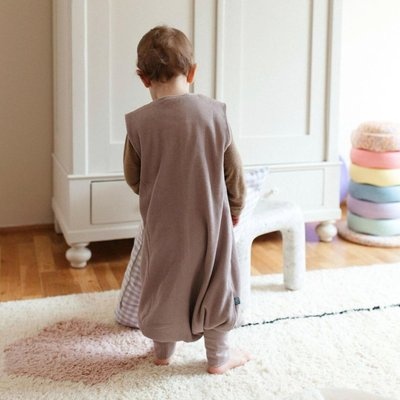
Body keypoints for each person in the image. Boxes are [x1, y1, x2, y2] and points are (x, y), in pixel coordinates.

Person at [122, 25, 250, 374]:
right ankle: (218, 358)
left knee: (163, 282)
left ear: (143, 77)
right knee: (217, 282)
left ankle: (163, 353)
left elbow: (133, 176)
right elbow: (233, 171)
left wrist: (160, 193)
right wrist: (235, 207)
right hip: (210, 222)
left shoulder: (139, 123)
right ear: (192, 72)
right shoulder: (214, 114)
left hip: (162, 225)